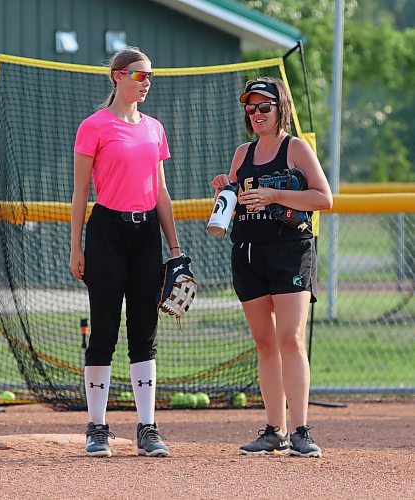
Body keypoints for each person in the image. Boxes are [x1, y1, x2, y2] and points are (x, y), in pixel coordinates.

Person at [211, 77, 333, 458]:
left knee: (290, 339)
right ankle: (274, 430)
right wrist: (223, 189)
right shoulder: (242, 154)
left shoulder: (295, 148)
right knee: (265, 344)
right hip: (248, 253)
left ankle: (300, 430)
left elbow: (323, 198)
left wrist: (274, 194)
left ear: (281, 108)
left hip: (289, 251)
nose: (257, 113)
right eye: (250, 107)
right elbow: (234, 199)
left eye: (265, 106)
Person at [70, 47, 181, 458]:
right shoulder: (94, 126)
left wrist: (175, 248)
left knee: (144, 331)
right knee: (103, 330)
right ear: (118, 77)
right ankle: (97, 427)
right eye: (139, 75)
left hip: (146, 232)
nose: (146, 82)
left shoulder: (154, 128)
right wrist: (75, 246)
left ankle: (147, 428)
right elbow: (82, 191)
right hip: (106, 231)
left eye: (150, 76)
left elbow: (162, 192)